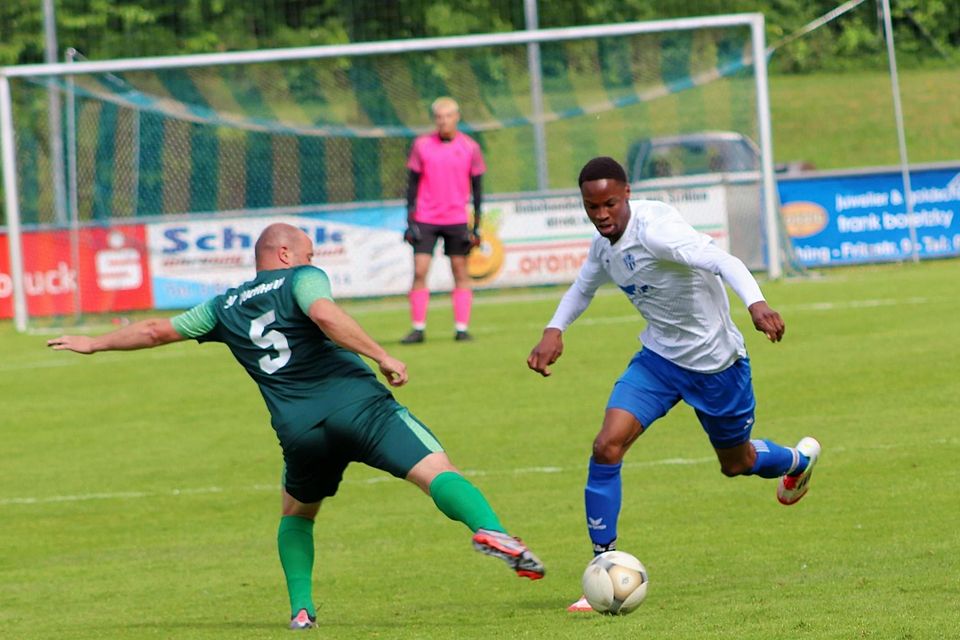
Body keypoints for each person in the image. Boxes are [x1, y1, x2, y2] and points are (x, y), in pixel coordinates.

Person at [48, 222, 544, 630]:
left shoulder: (223, 307)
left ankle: (301, 610)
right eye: (307, 251)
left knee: (298, 513)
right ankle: (492, 531)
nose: (311, 258)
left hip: (300, 431)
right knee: (436, 470)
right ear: (285, 254)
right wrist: (382, 354)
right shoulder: (301, 279)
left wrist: (95, 343)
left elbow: (157, 329)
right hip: (358, 407)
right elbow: (325, 315)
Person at [525, 157, 820, 612]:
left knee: (736, 464)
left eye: (609, 204)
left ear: (626, 194)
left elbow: (723, 260)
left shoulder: (658, 232)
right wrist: (554, 330)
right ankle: (603, 566)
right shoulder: (604, 246)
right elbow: (582, 287)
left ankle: (798, 460)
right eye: (591, 206)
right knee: (607, 446)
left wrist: (757, 304)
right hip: (658, 362)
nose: (601, 214)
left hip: (717, 367)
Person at [401, 96, 486, 344]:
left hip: (456, 218)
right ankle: (418, 328)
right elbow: (412, 185)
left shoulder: (470, 147)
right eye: (439, 117)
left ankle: (461, 328)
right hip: (425, 217)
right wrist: (410, 220)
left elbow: (478, 188)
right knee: (420, 270)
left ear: (457, 117)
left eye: (448, 116)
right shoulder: (421, 145)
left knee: (460, 270)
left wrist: (476, 225)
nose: (443, 121)